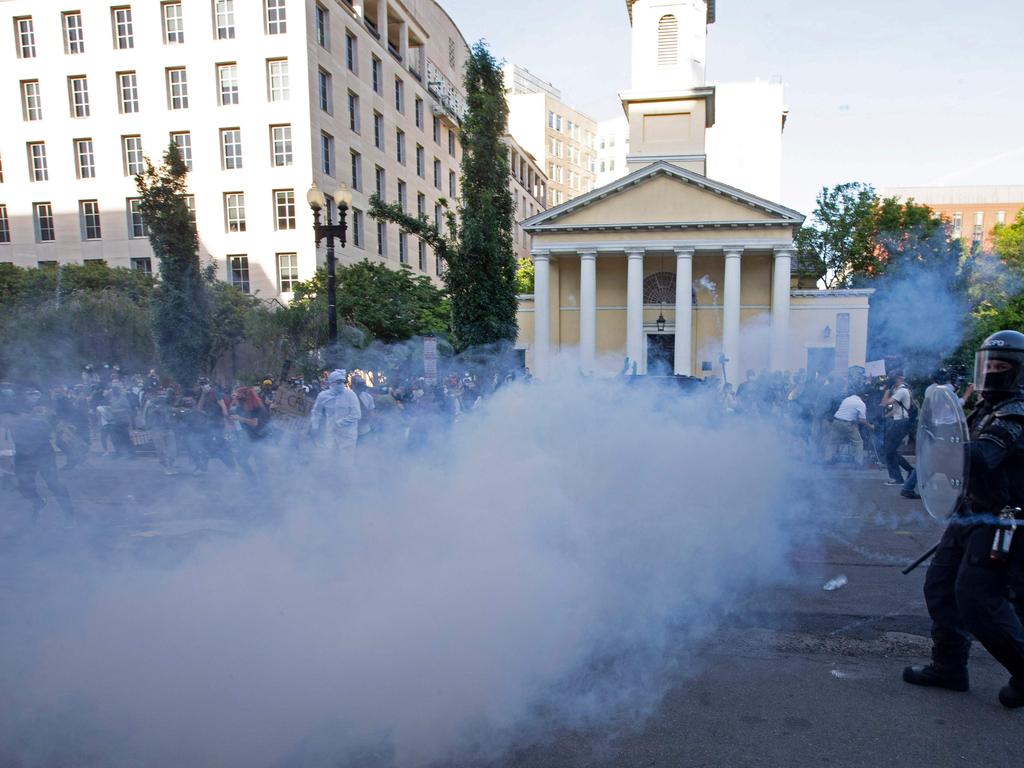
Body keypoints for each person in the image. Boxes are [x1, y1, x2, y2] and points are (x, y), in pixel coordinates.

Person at [903, 330, 1024, 709]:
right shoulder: (985, 408)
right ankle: (949, 667)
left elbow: (982, 458)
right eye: (988, 364)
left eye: (1001, 366)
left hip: (1001, 521)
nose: (992, 372)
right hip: (969, 514)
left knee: (977, 599)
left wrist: (945, 449)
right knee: (939, 587)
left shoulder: (1016, 412)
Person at [11, 398, 75, 522]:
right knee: (23, 486)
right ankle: (39, 503)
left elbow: (48, 435)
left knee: (54, 484)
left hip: (43, 456)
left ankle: (70, 516)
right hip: (23, 458)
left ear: (26, 413)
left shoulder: (39, 423)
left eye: (18, 414)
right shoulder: (13, 425)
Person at [309, 369, 361, 469]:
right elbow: (316, 412)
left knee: (346, 462)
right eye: (338, 382)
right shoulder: (323, 396)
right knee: (329, 459)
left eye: (343, 382)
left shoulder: (350, 395)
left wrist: (339, 423)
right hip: (331, 433)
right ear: (331, 383)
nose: (341, 384)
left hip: (348, 435)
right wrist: (314, 426)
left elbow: (356, 414)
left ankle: (347, 481)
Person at [880, 372, 914, 486]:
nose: (891, 381)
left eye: (893, 379)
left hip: (900, 423)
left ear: (899, 378)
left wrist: (887, 390)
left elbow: (884, 403)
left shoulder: (902, 391)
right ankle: (910, 470)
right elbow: (896, 409)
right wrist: (886, 417)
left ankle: (897, 478)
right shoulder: (900, 391)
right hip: (898, 422)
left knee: (889, 451)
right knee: (891, 450)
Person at [825, 389, 873, 465]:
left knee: (831, 442)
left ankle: (828, 459)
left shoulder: (847, 399)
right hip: (847, 424)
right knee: (858, 442)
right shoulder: (861, 403)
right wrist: (870, 426)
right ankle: (858, 462)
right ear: (863, 396)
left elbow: (846, 412)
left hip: (836, 421)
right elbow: (862, 420)